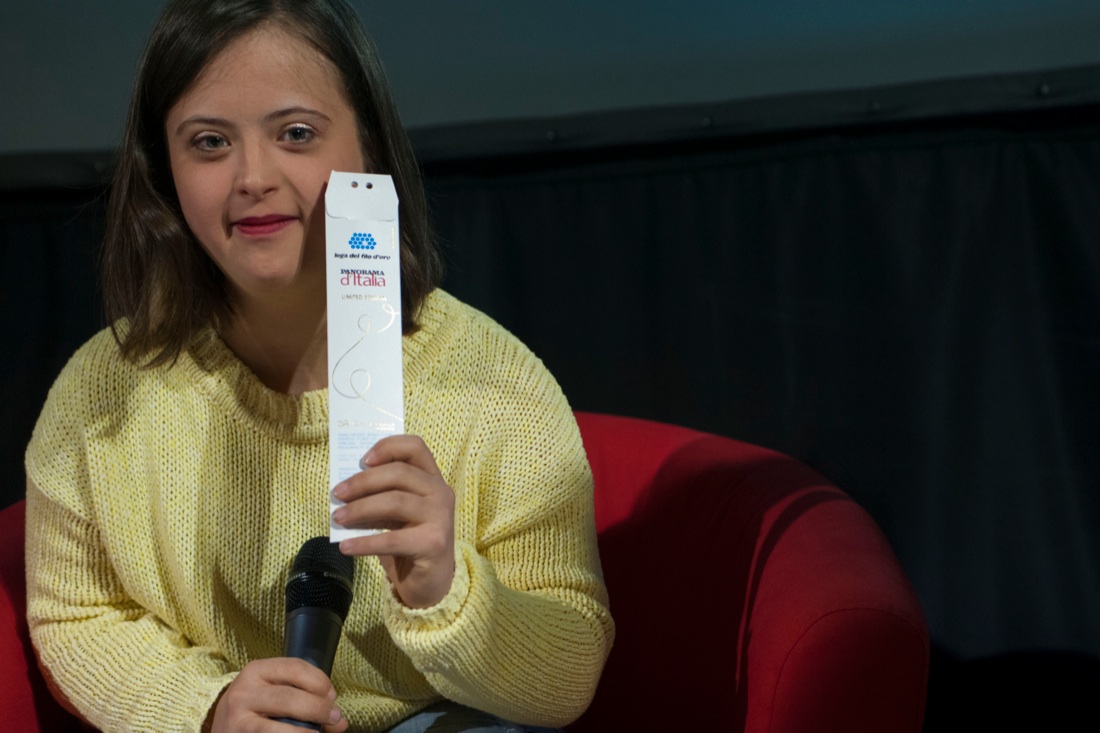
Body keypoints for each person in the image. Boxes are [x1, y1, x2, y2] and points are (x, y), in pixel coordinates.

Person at [23, 1, 613, 731]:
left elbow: (569, 674)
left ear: (369, 148)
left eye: (296, 133)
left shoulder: (496, 385)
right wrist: (205, 708)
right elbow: (77, 613)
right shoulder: (102, 392)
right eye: (209, 143)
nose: (252, 176)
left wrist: (446, 590)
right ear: (163, 169)